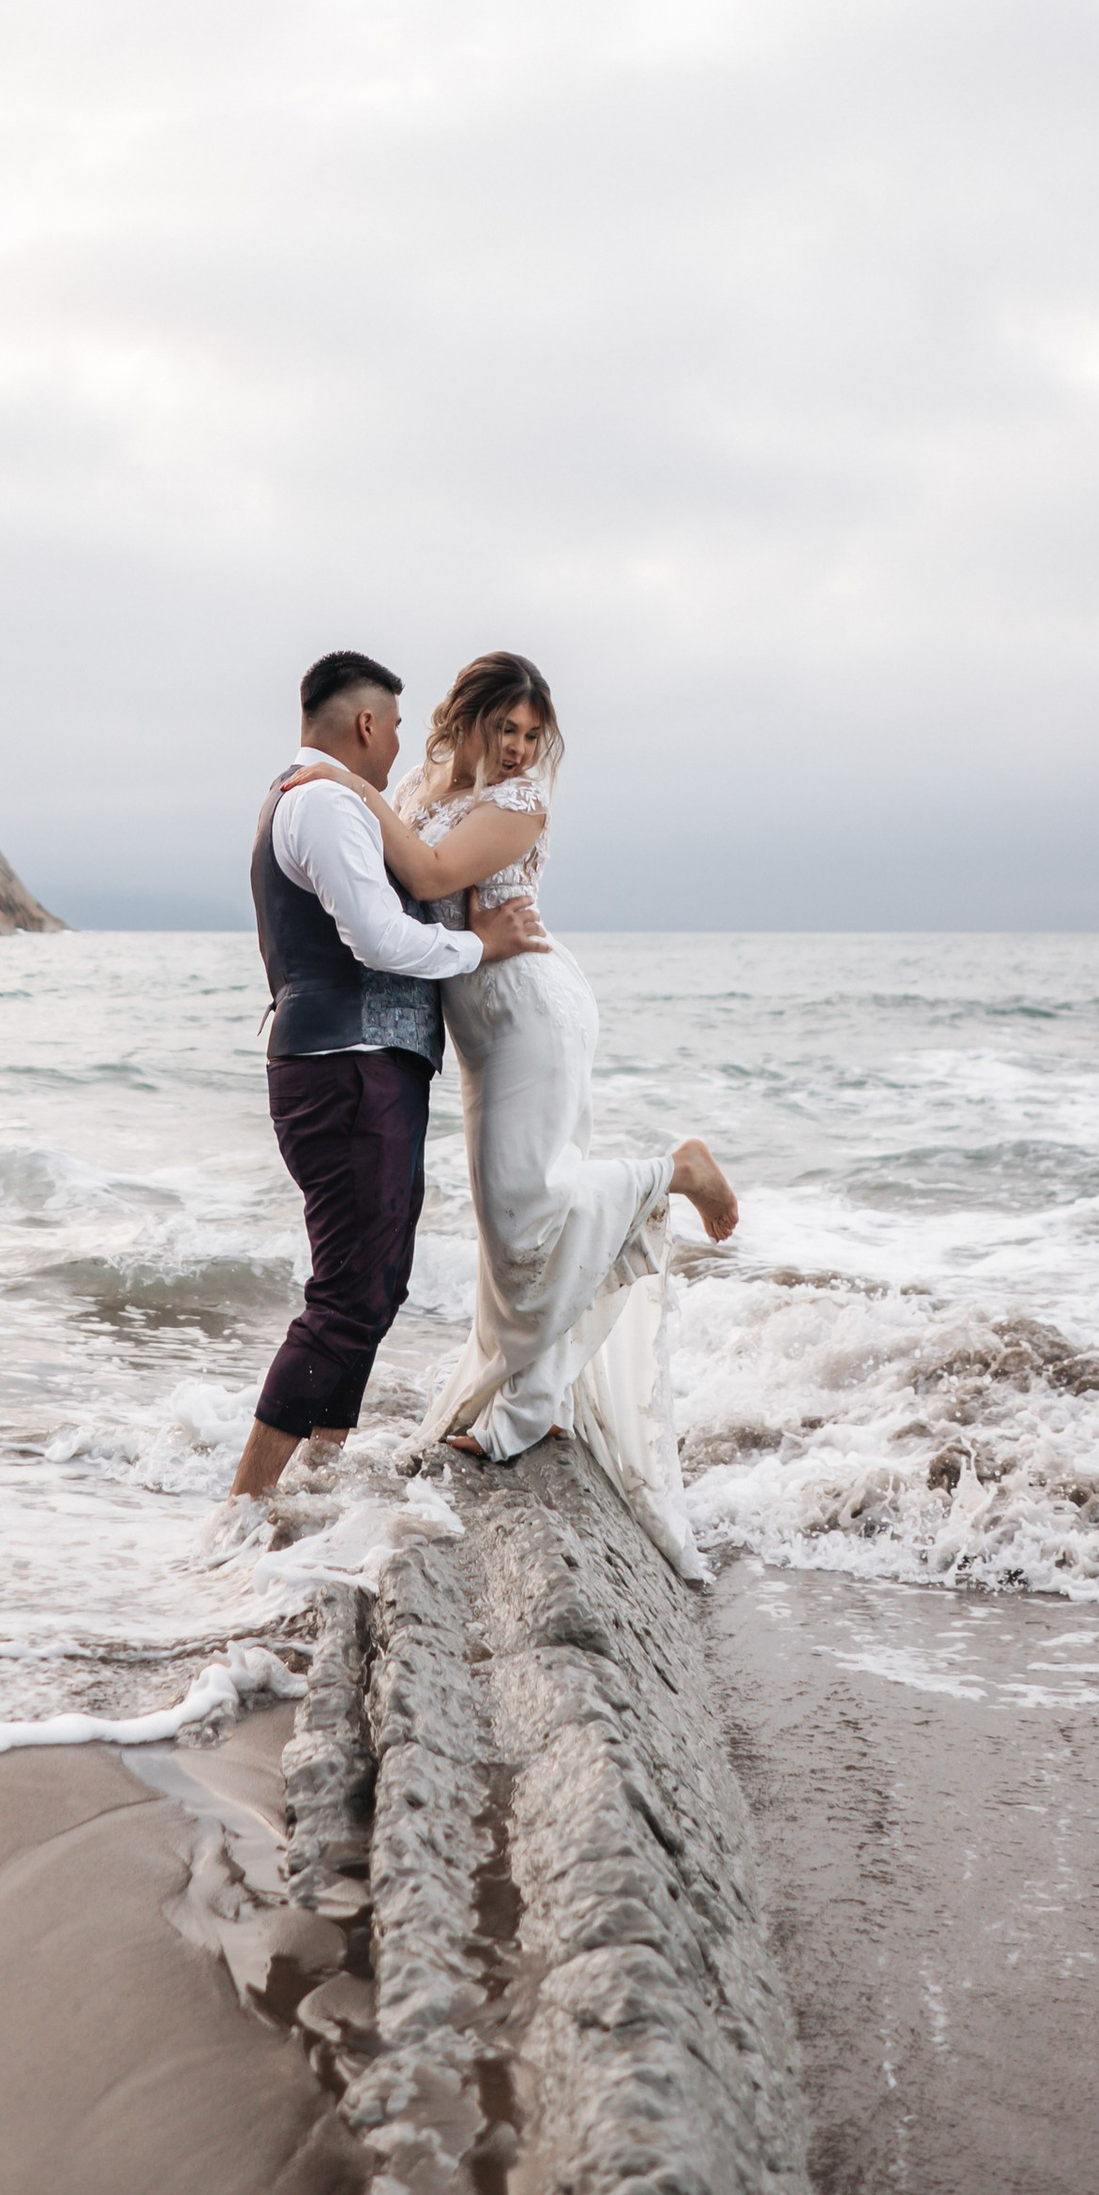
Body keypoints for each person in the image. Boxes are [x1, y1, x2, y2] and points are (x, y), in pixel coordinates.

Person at [278, 648, 737, 1574]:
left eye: (534, 735)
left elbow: (431, 874)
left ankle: (674, 1171)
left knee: (529, 1207)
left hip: (531, 1008)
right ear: (468, 719)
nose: (522, 749)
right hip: (478, 1022)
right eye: (507, 729)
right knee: (505, 1222)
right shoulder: (421, 784)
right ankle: (531, 1402)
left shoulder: (518, 804)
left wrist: (346, 786)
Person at [232, 649, 554, 1504]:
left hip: (357, 1066)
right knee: (350, 1293)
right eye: (397, 726)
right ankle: (247, 1502)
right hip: (348, 1069)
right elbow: (378, 939)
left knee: (375, 1284)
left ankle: (318, 1473)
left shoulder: (308, 797)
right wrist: (479, 946)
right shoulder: (326, 804)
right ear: (368, 724)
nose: (404, 743)